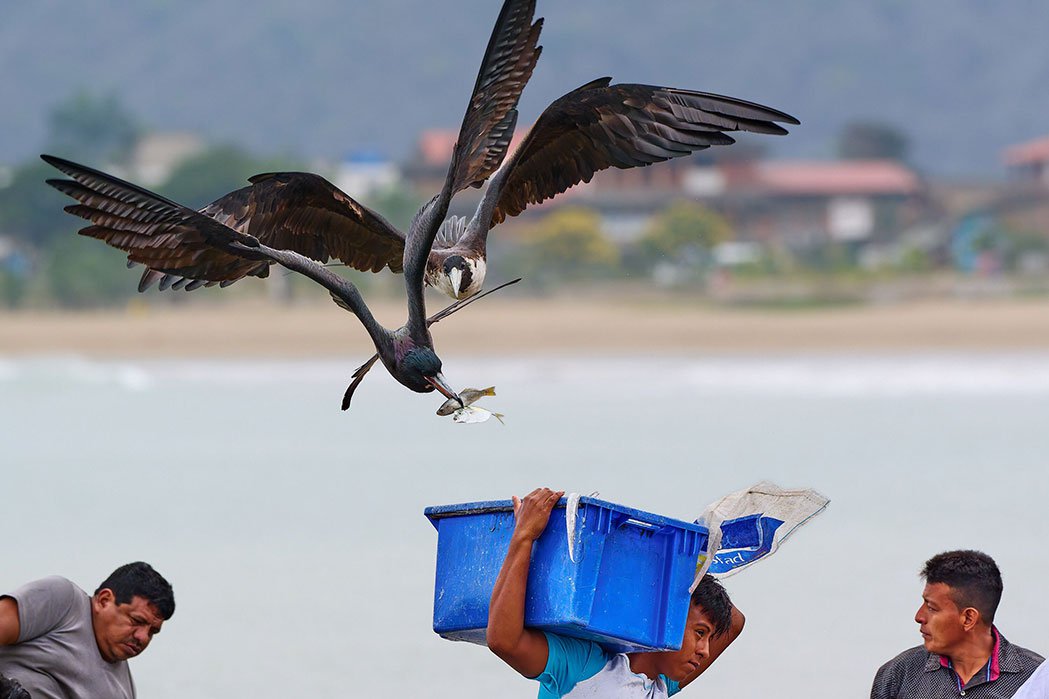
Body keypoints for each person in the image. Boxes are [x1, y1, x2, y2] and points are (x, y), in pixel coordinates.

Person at [487, 487, 745, 698]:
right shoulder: (585, 665)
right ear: (670, 619)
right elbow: (504, 641)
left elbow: (734, 622)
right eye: (700, 634)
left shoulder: (661, 687)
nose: (705, 651)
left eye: (708, 638)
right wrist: (523, 537)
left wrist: (690, 561)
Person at [871, 550, 1043, 699]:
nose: (919, 616)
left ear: (968, 618)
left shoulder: (1036, 680)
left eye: (932, 608)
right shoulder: (899, 674)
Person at [0, 562, 175, 699]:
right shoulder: (64, 602)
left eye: (153, 632)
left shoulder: (123, 693)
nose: (143, 637)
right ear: (104, 600)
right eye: (136, 620)